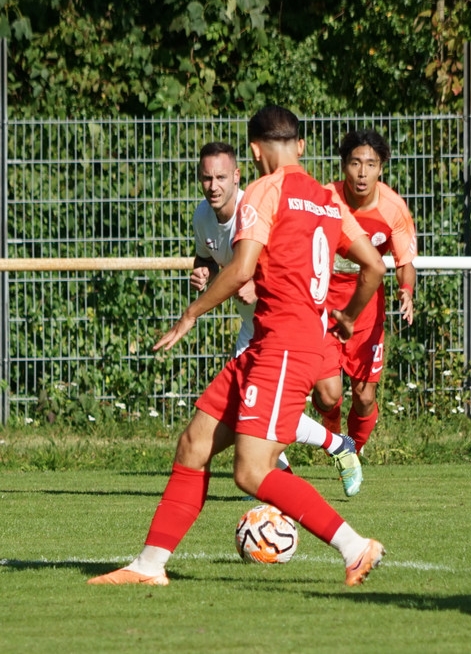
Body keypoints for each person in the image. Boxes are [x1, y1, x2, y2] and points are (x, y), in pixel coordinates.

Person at [88, 106, 387, 587]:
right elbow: (374, 266)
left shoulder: (265, 191)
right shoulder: (329, 200)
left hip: (282, 348)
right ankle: (149, 566)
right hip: (272, 344)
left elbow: (243, 267)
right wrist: (348, 317)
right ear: (300, 146)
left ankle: (355, 547)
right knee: (194, 444)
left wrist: (191, 313)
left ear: (253, 150)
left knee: (251, 472)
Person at [191, 141, 363, 495]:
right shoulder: (202, 216)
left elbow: (288, 256)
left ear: (236, 176)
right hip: (253, 329)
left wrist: (257, 284)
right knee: (253, 414)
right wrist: (204, 271)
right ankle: (286, 489)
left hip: (287, 325)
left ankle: (334, 448)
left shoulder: (257, 202)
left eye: (221, 177)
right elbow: (207, 256)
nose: (214, 186)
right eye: (207, 178)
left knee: (319, 398)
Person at [316, 129, 417, 454]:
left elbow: (405, 262)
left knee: (364, 397)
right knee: (327, 394)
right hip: (325, 308)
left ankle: (353, 450)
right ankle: (334, 439)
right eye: (355, 163)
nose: (362, 173)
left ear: (381, 168)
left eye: (370, 164)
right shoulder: (324, 200)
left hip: (366, 311)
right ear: (343, 165)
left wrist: (406, 289)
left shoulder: (393, 208)